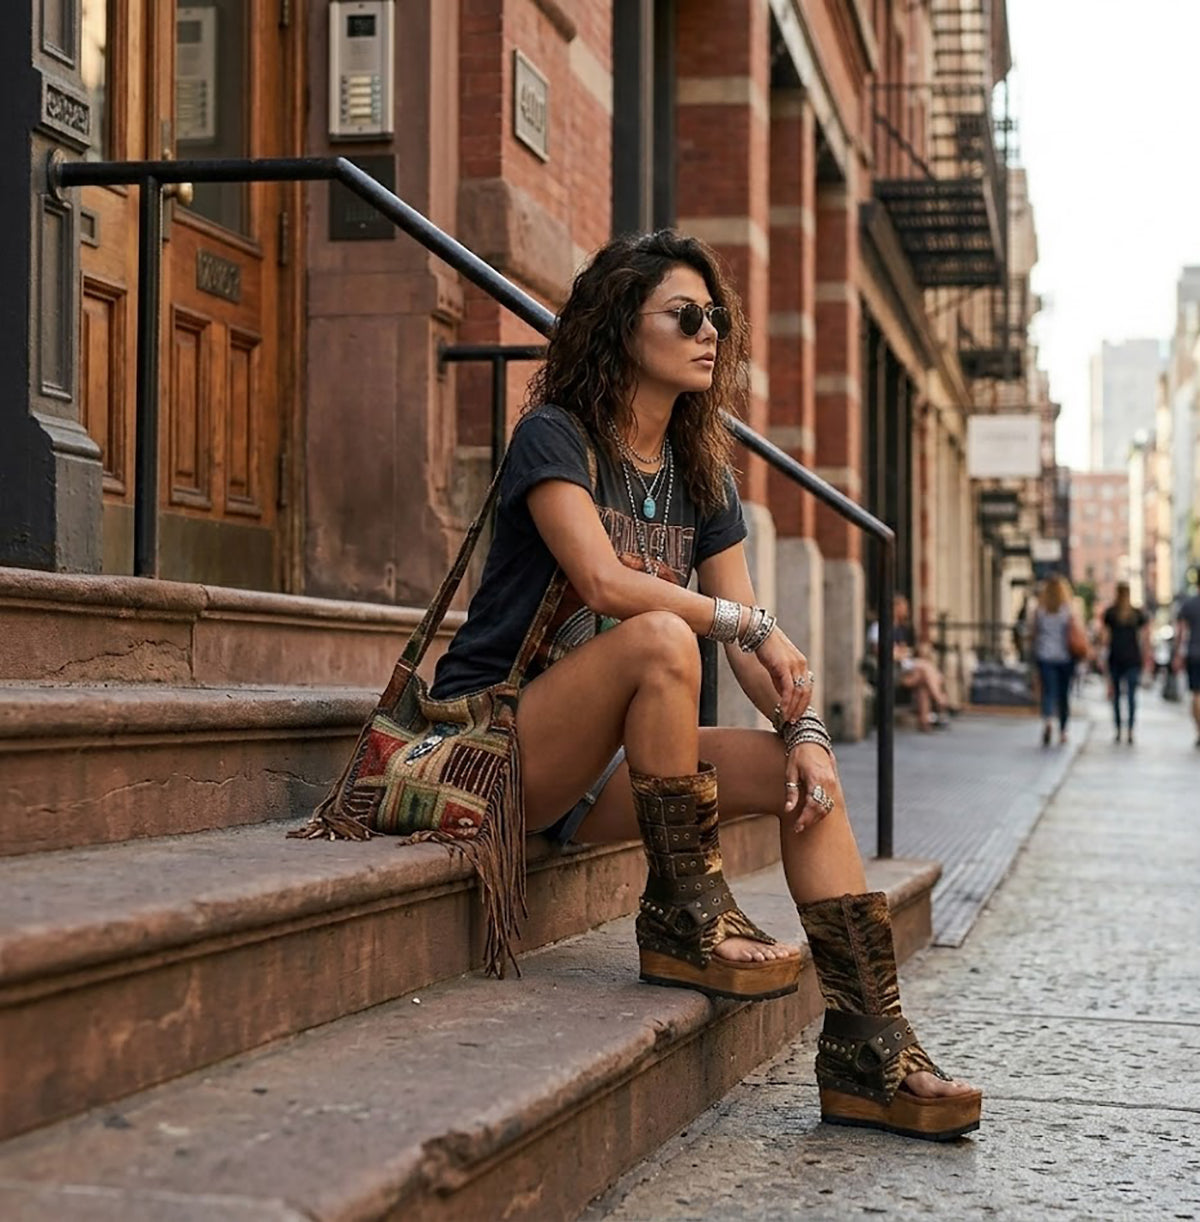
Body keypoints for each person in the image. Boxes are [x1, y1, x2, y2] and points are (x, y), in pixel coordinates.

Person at [428, 231, 979, 1140]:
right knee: (658, 638)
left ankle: (868, 1050)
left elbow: (750, 641)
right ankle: (684, 916)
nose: (709, 332)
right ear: (619, 327)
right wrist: (740, 623)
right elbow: (606, 584)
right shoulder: (554, 437)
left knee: (804, 784)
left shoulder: (700, 469)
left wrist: (806, 735)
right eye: (685, 316)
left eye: (716, 316)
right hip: (495, 750)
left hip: (610, 774)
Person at [1031, 574, 1079, 746]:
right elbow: (1075, 632)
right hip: (1064, 657)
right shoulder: (1067, 610)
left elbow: (1034, 634)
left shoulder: (1040, 611)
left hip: (1045, 656)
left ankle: (1048, 721)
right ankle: (1063, 730)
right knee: (1063, 695)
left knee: (1048, 692)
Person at [1099, 582, 1151, 744]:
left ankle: (1118, 728)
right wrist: (1146, 656)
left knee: (1115, 696)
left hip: (1116, 657)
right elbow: (1144, 638)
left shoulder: (1110, 613)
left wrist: (1102, 657)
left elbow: (1105, 638)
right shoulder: (1136, 614)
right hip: (1132, 658)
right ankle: (1130, 729)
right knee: (1131, 696)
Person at [1174, 587, 1200, 747]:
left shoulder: (1188, 604)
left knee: (1196, 694)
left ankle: (1199, 730)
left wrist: (1177, 654)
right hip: (1193, 654)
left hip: (1194, 654)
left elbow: (1181, 632)